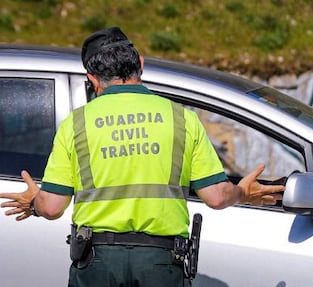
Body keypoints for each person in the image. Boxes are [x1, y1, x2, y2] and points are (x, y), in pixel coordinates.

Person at [0, 27, 284, 287]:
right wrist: (243, 192)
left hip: (97, 262)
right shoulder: (182, 119)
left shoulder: (77, 123)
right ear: (141, 65)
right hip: (160, 262)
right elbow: (218, 197)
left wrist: (36, 202)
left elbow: (51, 208)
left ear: (92, 79)